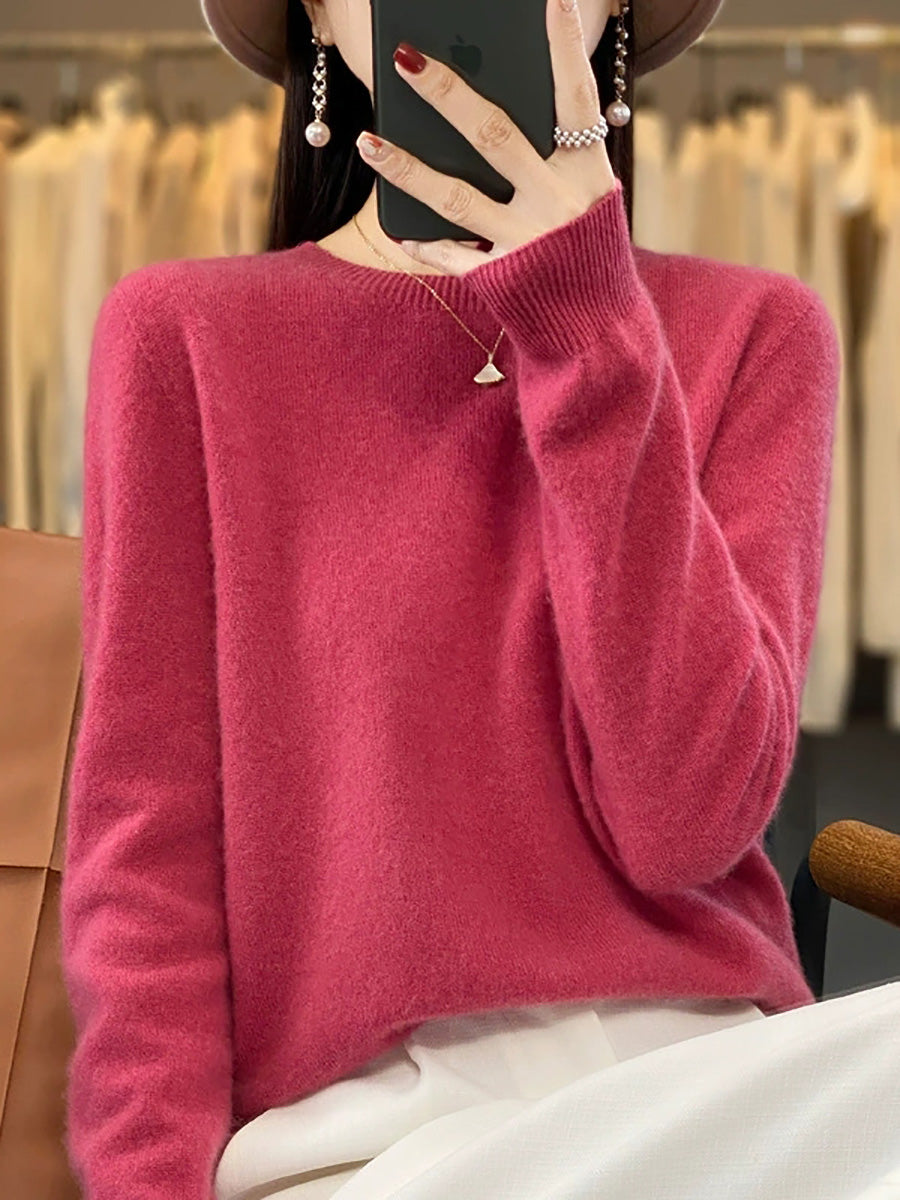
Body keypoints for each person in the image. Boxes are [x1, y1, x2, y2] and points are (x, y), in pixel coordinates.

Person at [58, 0, 900, 1198]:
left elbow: (690, 820)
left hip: (708, 1094)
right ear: (315, 12)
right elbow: (147, 856)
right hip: (376, 1141)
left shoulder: (757, 332)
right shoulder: (185, 336)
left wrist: (588, 329)